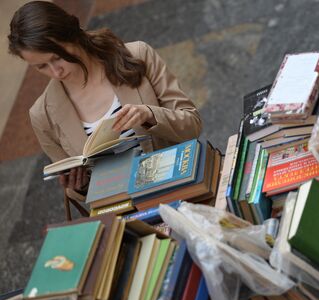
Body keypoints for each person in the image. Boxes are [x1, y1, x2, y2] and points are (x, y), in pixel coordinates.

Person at [8, 1, 202, 193]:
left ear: (72, 35)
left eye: (57, 57)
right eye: (41, 66)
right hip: (119, 208)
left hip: (178, 184)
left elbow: (192, 125)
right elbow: (78, 193)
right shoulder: (42, 115)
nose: (55, 71)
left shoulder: (138, 55)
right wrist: (81, 187)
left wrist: (149, 115)